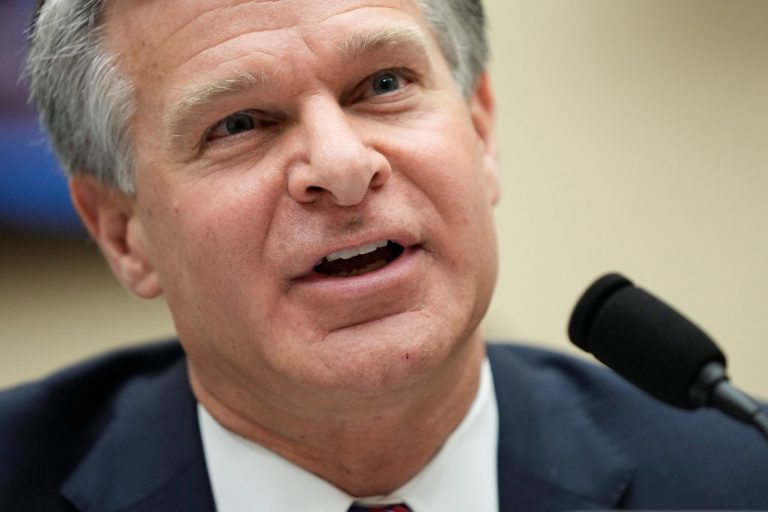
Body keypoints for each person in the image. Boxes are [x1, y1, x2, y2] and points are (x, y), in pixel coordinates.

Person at [2, 0, 767, 510]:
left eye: (384, 83)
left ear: (481, 130)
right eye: (238, 124)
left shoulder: (736, 481)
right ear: (121, 230)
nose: (341, 165)